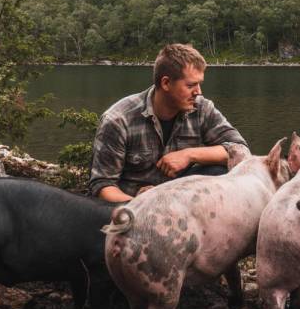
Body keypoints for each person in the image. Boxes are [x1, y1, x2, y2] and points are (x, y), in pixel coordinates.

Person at [89, 43, 247, 203]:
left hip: (182, 202)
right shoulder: (118, 120)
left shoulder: (202, 109)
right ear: (166, 83)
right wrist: (141, 205)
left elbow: (241, 151)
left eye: (199, 84)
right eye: (191, 85)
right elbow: (103, 186)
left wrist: (189, 155)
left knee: (221, 169)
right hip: (132, 208)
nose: (198, 92)